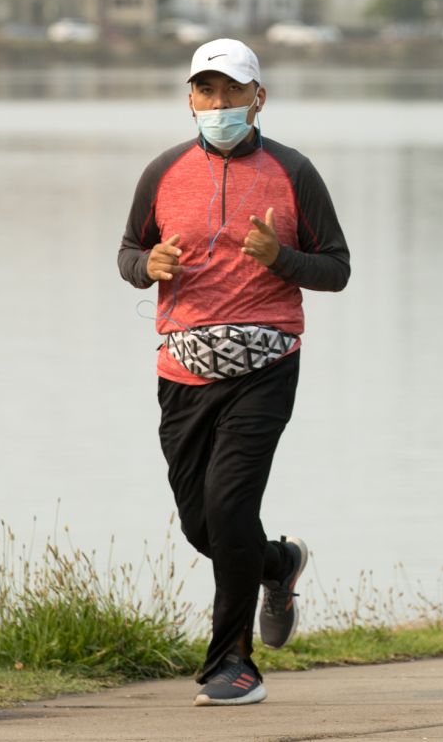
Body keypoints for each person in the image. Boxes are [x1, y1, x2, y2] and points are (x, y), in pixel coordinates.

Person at [116, 38, 351, 706]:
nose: (219, 104)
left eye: (232, 91)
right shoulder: (162, 171)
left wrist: (281, 257)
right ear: (190, 99)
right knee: (202, 526)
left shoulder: (294, 171)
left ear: (259, 98)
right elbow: (129, 250)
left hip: (266, 367)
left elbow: (336, 268)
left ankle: (231, 665)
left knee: (228, 507)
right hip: (181, 372)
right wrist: (147, 267)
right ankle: (278, 564)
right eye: (206, 91)